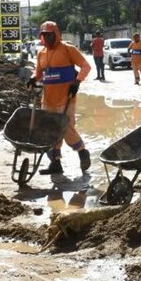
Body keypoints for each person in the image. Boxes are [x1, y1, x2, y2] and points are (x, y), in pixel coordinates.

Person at [30, 21, 92, 175]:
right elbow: (39, 73)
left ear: (56, 34)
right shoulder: (41, 53)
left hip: (66, 97)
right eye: (44, 35)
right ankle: (55, 163)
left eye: (49, 34)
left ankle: (82, 151)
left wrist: (77, 82)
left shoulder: (67, 49)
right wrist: (32, 78)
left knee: (65, 128)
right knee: (50, 130)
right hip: (48, 99)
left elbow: (86, 66)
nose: (47, 37)